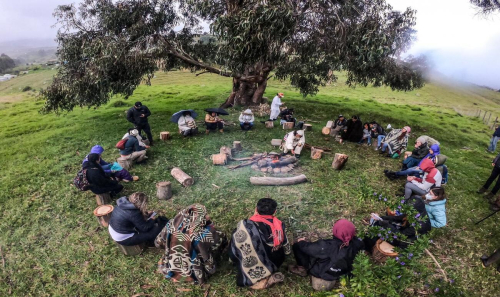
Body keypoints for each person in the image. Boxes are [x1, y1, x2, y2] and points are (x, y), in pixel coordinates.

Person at [155, 204, 227, 284]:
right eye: (204, 215)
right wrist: (211, 269)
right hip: (192, 272)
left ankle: (175, 272)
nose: (207, 216)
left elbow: (158, 243)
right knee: (221, 238)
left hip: (170, 266)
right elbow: (207, 260)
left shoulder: (171, 223)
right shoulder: (201, 235)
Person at [229, 198, 290, 289]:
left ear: (256, 209)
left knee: (237, 234)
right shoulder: (279, 225)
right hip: (273, 261)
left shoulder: (245, 224)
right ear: (275, 211)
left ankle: (241, 265)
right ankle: (267, 274)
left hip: (250, 260)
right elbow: (286, 248)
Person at [289, 219, 365, 291]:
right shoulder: (357, 243)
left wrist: (301, 242)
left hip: (321, 272)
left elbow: (308, 248)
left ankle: (301, 269)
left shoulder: (326, 246)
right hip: (343, 273)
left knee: (297, 246)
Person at [366, 197, 431, 249]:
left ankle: (368, 247)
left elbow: (401, 235)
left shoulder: (420, 224)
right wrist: (383, 218)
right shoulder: (415, 213)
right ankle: (368, 243)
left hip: (406, 240)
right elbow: (399, 218)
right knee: (378, 225)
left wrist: (386, 224)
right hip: (405, 231)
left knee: (378, 231)